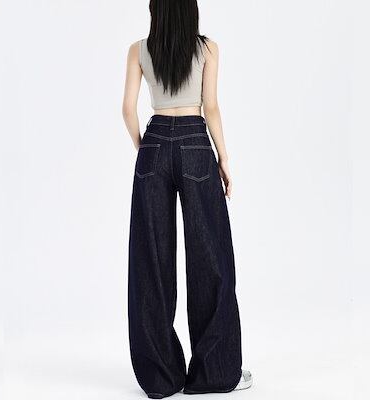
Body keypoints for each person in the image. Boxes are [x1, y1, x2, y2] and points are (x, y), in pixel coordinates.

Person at [122, 1, 252, 398]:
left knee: (151, 261)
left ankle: (161, 378)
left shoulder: (138, 49)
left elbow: (127, 109)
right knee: (211, 257)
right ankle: (215, 372)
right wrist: (223, 158)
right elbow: (210, 107)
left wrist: (146, 148)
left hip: (154, 143)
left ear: (157, 12)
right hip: (196, 143)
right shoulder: (208, 48)